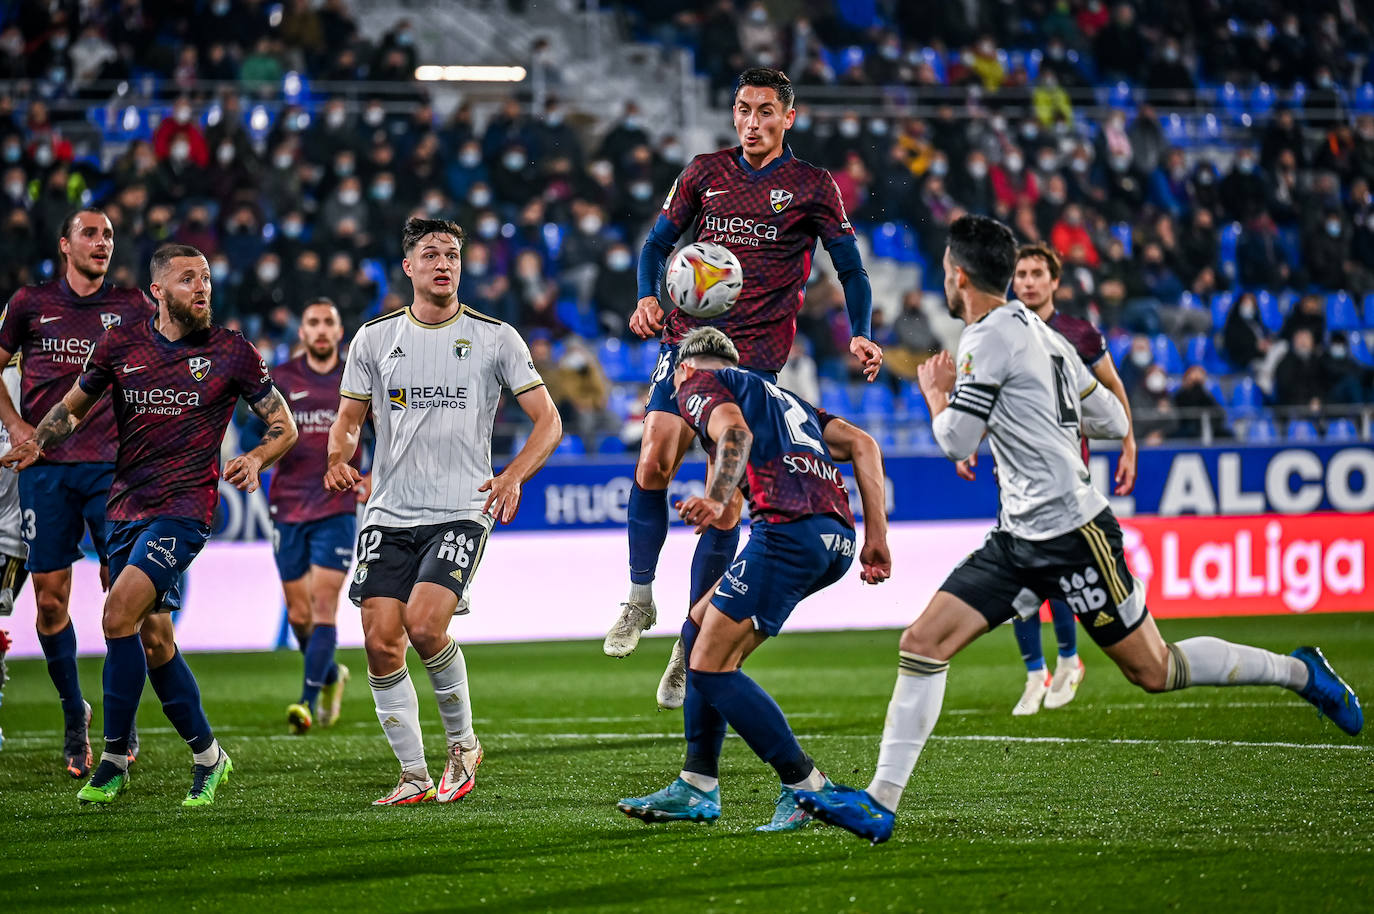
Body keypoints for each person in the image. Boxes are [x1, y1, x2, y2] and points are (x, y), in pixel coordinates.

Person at [796, 216, 1363, 844]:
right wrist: (1035, 419)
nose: (945, 285)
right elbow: (1107, 414)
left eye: (946, 275)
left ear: (958, 276)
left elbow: (956, 437)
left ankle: (1301, 673)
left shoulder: (986, 339)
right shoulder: (1045, 336)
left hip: (1074, 533)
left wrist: (938, 391)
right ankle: (879, 802)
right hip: (1018, 539)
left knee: (1157, 670)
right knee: (923, 643)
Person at [605, 67, 883, 676]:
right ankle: (639, 595)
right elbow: (656, 244)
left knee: (724, 500)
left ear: (789, 117)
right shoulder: (705, 171)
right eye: (742, 109)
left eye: (764, 111)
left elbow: (851, 270)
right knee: (652, 459)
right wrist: (649, 295)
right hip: (689, 340)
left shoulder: (812, 186)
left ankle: (691, 636)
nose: (751, 122)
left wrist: (861, 332)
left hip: (754, 358)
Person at [2, 242, 300, 807]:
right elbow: (72, 407)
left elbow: (282, 425)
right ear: (158, 291)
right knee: (154, 637)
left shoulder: (232, 351)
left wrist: (257, 458)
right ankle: (210, 756)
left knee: (117, 613)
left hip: (184, 512)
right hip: (125, 508)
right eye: (189, 279)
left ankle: (112, 759)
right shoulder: (122, 344)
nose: (203, 287)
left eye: (207, 277)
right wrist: (36, 443)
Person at [325, 217, 561, 806]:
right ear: (408, 267)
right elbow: (350, 420)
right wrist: (337, 456)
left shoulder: (496, 337)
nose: (444, 263)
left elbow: (550, 421)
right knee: (381, 641)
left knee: (425, 625)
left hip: (461, 507)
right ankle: (412, 775)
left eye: (452, 254)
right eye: (431, 254)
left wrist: (512, 476)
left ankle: (464, 744)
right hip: (389, 511)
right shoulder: (374, 339)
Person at [617, 327, 891, 831]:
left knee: (710, 668)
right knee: (700, 634)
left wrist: (719, 501)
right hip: (835, 538)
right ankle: (697, 784)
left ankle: (806, 786)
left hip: (786, 532)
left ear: (682, 368)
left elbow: (735, 435)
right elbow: (864, 444)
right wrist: (878, 537)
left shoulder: (699, 383)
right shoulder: (784, 397)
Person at [0, 208, 153, 779]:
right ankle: (73, 714)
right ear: (65, 244)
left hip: (115, 470)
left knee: (125, 595)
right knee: (50, 603)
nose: (102, 242)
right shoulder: (29, 305)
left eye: (110, 234)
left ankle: (121, 719)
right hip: (46, 473)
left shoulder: (134, 307)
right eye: (90, 233)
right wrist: (18, 428)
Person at [977, 242, 1137, 715]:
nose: (1026, 281)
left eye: (1035, 273)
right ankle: (1034, 671)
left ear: (1054, 282)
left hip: (1065, 474)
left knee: (1053, 570)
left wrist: (1128, 444)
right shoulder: (998, 332)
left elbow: (1112, 389)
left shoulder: (1078, 334)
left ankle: (1068, 660)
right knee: (1021, 572)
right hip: (1012, 473)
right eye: (1020, 274)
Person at [270, 298, 365, 735]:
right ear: (302, 332)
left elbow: (390, 431)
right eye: (313, 323)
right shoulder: (281, 380)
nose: (322, 329)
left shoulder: (357, 378)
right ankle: (331, 675)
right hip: (288, 503)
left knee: (324, 605)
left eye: (329, 322)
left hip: (336, 506)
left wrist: (372, 478)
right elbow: (262, 432)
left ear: (339, 331)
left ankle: (305, 703)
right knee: (298, 616)